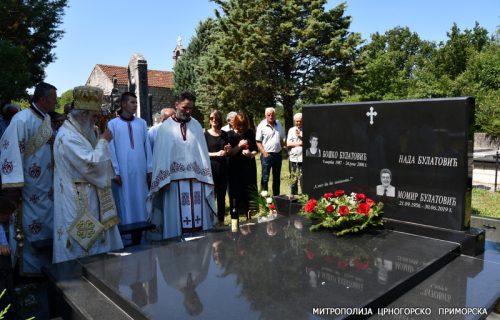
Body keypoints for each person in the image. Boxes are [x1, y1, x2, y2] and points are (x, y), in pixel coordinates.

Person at [52, 86, 123, 263]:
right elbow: (91, 164)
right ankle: (79, 279)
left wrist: (98, 137)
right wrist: (104, 141)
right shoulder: (68, 136)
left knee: (94, 242)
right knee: (82, 244)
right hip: (77, 198)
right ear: (83, 115)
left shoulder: (78, 130)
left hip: (87, 192)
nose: (95, 121)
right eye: (93, 117)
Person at [0, 82, 57, 275]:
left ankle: (47, 271)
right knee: (29, 229)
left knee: (47, 227)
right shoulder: (21, 120)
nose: (55, 103)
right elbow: (10, 151)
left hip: (46, 186)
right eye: (53, 100)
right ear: (42, 99)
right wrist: (14, 186)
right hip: (28, 189)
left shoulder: (46, 118)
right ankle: (28, 274)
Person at [149, 91, 215, 240]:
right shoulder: (165, 128)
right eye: (185, 107)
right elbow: (160, 156)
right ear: (177, 104)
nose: (188, 111)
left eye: (191, 108)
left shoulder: (196, 125)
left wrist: (204, 177)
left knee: (198, 223)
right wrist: (162, 180)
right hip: (173, 184)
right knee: (176, 224)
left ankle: (201, 249)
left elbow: (202, 154)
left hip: (196, 182)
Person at [108, 92, 153, 226]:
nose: (135, 105)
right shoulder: (112, 124)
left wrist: (149, 168)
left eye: (136, 102)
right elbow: (111, 149)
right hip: (122, 172)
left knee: (141, 199)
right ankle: (127, 235)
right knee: (125, 201)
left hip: (140, 170)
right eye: (132, 102)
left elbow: (147, 147)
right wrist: (116, 171)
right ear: (123, 104)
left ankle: (143, 233)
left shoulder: (142, 123)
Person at [227, 111, 258, 220]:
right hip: (235, 170)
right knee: (236, 192)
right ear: (235, 123)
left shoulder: (250, 132)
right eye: (239, 125)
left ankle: (250, 215)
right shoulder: (230, 135)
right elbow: (230, 153)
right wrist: (239, 146)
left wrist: (250, 154)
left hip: (249, 168)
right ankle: (236, 217)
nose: (241, 127)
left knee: (249, 192)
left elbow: (255, 150)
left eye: (244, 125)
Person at [204, 109, 231, 226]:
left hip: (223, 168)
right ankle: (210, 221)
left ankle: (220, 221)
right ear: (209, 120)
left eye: (216, 118)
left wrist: (227, 150)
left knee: (221, 196)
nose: (214, 120)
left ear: (219, 119)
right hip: (211, 168)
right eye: (211, 118)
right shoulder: (205, 135)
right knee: (211, 195)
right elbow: (203, 153)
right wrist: (216, 154)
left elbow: (227, 150)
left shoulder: (225, 134)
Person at [256, 107, 285, 196]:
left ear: (275, 115)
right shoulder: (261, 125)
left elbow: (282, 138)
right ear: (265, 115)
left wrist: (282, 148)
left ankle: (276, 198)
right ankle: (264, 199)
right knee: (265, 178)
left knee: (276, 178)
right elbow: (258, 141)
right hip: (266, 155)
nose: (271, 116)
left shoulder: (279, 124)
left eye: (272, 114)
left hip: (278, 155)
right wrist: (264, 153)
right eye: (268, 115)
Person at [286, 112, 303, 195]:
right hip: (293, 159)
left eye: (300, 121)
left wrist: (300, 136)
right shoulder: (291, 130)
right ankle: (294, 196)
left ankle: (304, 197)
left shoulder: (306, 129)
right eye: (296, 121)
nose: (298, 123)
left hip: (303, 159)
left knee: (303, 179)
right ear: (294, 121)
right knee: (294, 179)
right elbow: (288, 144)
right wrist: (300, 143)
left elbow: (308, 143)